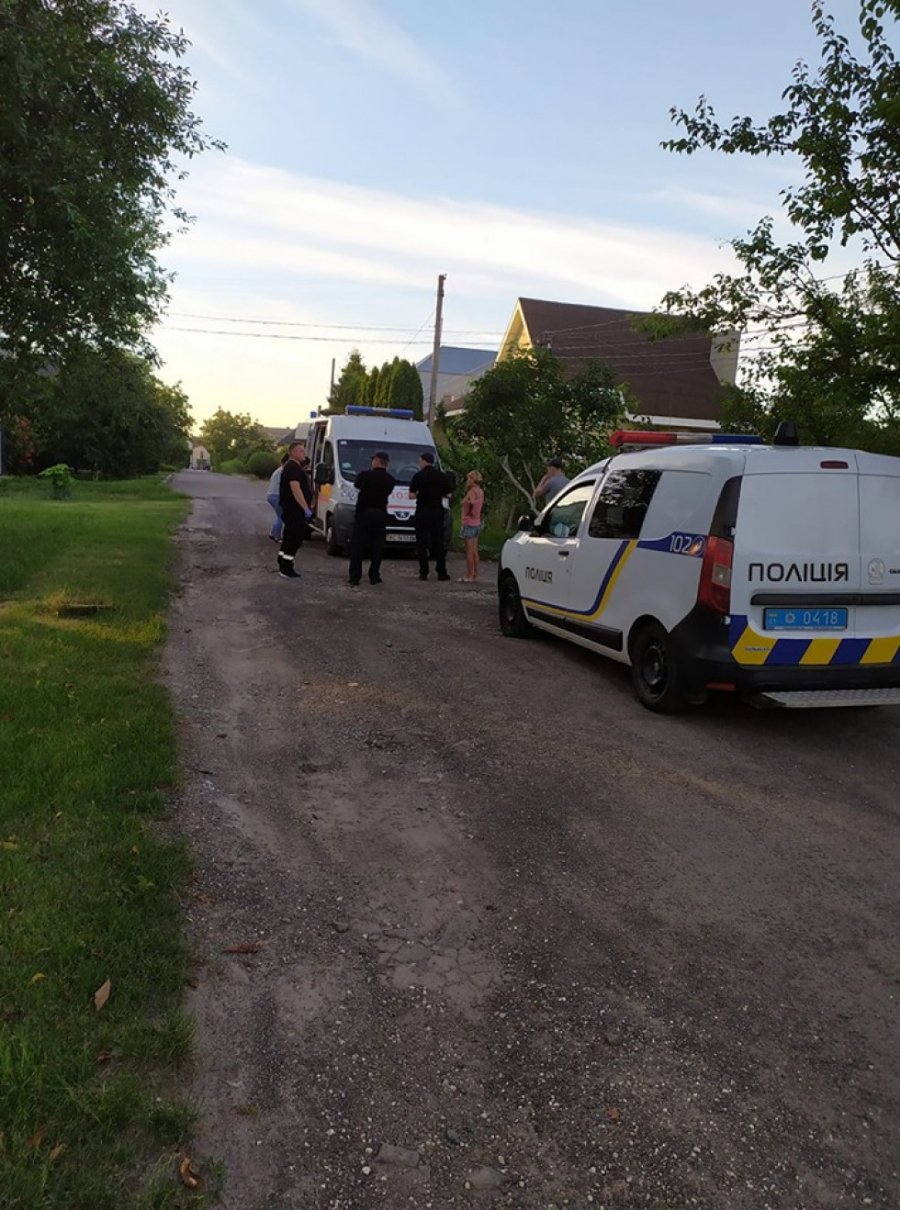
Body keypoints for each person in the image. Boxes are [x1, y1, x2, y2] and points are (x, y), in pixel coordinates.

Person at [348, 451, 396, 586]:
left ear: (376, 461)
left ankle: (355, 577)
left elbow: (357, 486)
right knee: (377, 546)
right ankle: (374, 576)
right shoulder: (390, 480)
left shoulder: (364, 475)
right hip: (380, 513)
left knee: (358, 546)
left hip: (364, 513)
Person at [409, 451, 452, 581]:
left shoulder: (418, 476)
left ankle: (424, 572)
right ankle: (441, 572)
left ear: (424, 461)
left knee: (422, 543)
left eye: (420, 461)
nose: (419, 463)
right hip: (436, 512)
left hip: (422, 511)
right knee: (438, 542)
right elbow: (449, 494)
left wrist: (421, 494)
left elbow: (411, 495)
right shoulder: (441, 476)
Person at [277, 441, 313, 580]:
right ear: (293, 452)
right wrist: (305, 508)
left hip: (291, 509)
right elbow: (295, 489)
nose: (304, 453)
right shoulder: (293, 469)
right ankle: (286, 567)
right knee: (295, 538)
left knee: (288, 536)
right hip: (294, 509)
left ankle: (282, 560)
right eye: (301, 451)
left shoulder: (293, 467)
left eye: (304, 450)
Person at [458, 470, 485, 583]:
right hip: (477, 523)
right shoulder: (480, 491)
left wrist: (467, 505)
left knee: (469, 551)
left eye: (469, 478)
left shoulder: (472, 492)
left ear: (473, 479)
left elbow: (471, 506)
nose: (468, 480)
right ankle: (475, 574)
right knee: (474, 550)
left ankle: (469, 574)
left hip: (469, 523)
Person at [266, 453, 288, 542]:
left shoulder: (278, 470)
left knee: (279, 515)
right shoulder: (283, 471)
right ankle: (277, 537)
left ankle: (273, 533)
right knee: (281, 516)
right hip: (277, 495)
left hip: (271, 494)